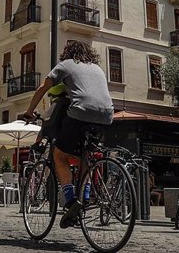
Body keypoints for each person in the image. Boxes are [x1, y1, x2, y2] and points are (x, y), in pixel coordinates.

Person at [23, 41, 114, 229]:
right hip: (107, 115)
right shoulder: (97, 68)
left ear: (68, 53)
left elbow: (43, 87)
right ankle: (86, 196)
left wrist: (29, 111)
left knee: (59, 154)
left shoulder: (67, 64)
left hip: (81, 112)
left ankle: (71, 200)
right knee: (85, 156)